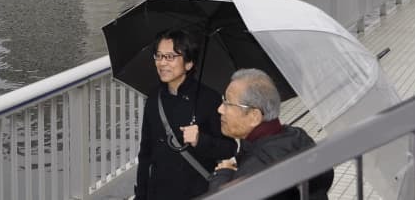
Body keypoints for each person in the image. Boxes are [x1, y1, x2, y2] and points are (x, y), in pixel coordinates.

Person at [135, 29, 237, 200]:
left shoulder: (209, 99)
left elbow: (229, 148)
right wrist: (141, 195)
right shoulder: (154, 99)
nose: (162, 63)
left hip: (197, 193)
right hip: (158, 193)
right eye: (158, 56)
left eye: (170, 57)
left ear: (189, 63)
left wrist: (201, 140)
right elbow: (145, 154)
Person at [209, 68, 334, 199]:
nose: (220, 109)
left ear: (254, 116)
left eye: (228, 103)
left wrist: (222, 175)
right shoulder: (297, 135)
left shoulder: (256, 171)